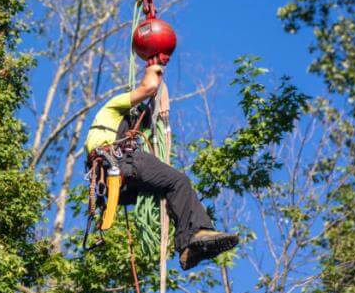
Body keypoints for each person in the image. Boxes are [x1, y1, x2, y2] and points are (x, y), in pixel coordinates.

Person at [85, 64, 239, 270]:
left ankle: (187, 248)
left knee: (164, 192)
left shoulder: (105, 134)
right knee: (179, 182)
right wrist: (154, 65)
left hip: (116, 184)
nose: (140, 129)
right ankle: (196, 233)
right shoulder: (113, 107)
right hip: (122, 163)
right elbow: (148, 87)